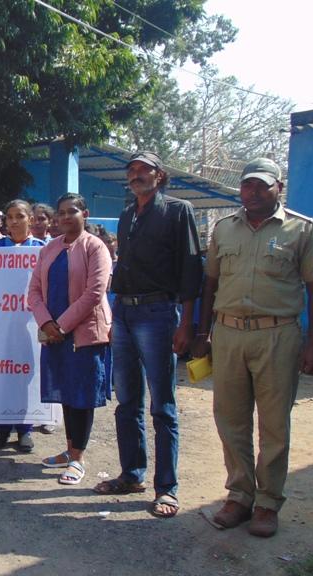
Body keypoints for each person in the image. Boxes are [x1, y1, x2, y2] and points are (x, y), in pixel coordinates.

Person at [192, 158, 313, 538]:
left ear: (278, 189)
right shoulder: (224, 229)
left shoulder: (302, 230)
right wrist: (202, 334)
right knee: (230, 419)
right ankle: (239, 495)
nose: (252, 193)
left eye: (261, 186)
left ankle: (268, 503)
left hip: (277, 335)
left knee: (273, 425)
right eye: (247, 186)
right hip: (229, 334)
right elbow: (210, 284)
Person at [93, 151, 202, 520]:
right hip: (125, 312)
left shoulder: (177, 211)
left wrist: (186, 322)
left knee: (163, 406)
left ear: (160, 175)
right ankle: (132, 474)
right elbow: (122, 269)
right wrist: (113, 314)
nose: (137, 175)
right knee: (127, 402)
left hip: (159, 313)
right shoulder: (127, 216)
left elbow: (190, 266)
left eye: (145, 170)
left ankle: (166, 488)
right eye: (132, 170)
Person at [27, 194, 112, 485]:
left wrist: (60, 326)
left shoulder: (95, 247)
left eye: (71, 211)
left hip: (83, 335)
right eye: (60, 212)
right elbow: (34, 291)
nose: (65, 217)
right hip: (54, 335)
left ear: (84, 214)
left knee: (81, 396)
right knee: (65, 392)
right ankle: (69, 449)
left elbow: (94, 293)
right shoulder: (49, 249)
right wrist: (46, 322)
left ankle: (78, 459)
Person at [0, 200, 46, 452]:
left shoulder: (43, 249)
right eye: (9, 217)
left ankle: (25, 429)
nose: (13, 221)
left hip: (31, 325)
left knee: (26, 375)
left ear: (31, 219)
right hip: (0, 324)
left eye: (19, 216)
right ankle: (1, 428)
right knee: (0, 375)